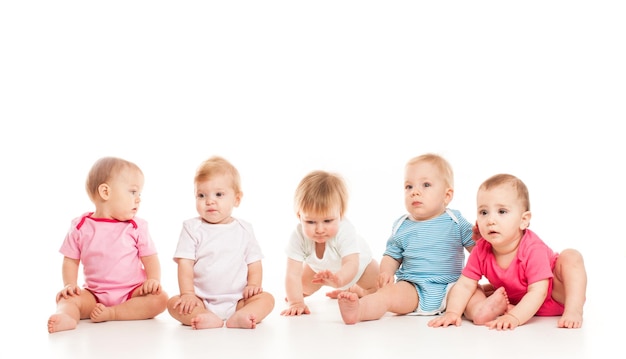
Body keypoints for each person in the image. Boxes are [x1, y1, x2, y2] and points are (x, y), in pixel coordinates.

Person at [427, 174, 587, 330]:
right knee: (470, 288)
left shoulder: (532, 248)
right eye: (484, 212)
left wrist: (513, 317)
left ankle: (574, 309)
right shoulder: (481, 249)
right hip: (519, 302)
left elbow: (539, 291)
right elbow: (464, 286)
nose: (490, 220)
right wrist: (452, 312)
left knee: (571, 256)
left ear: (523, 220)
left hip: (555, 294)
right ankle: (481, 310)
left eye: (502, 212)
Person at [337, 153, 475, 324]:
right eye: (409, 187)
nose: (414, 192)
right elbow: (392, 256)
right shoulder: (402, 225)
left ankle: (487, 309)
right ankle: (359, 310)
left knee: (475, 295)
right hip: (412, 288)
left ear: (447, 195)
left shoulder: (456, 221)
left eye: (426, 185)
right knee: (386, 295)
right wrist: (386, 272)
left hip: (453, 287)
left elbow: (479, 253)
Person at [47, 157, 168, 334]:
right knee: (67, 299)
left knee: (160, 299)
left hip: (132, 292)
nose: (138, 199)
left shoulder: (136, 226)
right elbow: (71, 260)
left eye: (139, 194)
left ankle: (113, 313)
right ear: (105, 192)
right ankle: (67, 316)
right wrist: (69, 285)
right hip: (94, 295)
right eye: (133, 192)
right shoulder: (81, 226)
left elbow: (150, 258)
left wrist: (153, 280)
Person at [167, 156, 275, 329]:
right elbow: (185, 265)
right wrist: (188, 294)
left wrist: (254, 285)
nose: (210, 201)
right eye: (201, 195)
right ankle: (204, 316)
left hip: (239, 299)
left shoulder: (244, 229)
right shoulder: (192, 228)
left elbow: (254, 263)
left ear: (237, 199)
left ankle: (242, 315)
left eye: (219, 194)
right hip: (201, 300)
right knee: (173, 303)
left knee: (267, 299)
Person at [281, 170, 379, 316]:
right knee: (301, 288)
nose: (320, 229)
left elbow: (351, 263)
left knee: (376, 289)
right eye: (310, 221)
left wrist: (340, 280)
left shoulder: (345, 230)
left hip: (360, 268)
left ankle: (355, 289)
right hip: (319, 269)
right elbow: (292, 274)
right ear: (299, 216)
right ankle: (347, 288)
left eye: (327, 221)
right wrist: (296, 302)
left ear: (340, 214)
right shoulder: (298, 236)